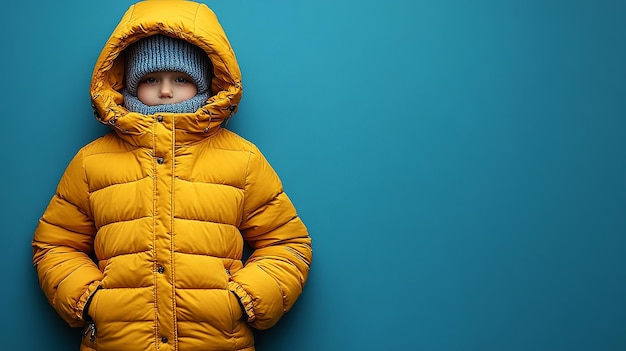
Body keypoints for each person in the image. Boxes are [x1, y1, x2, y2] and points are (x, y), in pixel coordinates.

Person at [31, 1, 312, 350]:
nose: (166, 91)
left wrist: (243, 300)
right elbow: (56, 244)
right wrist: (89, 300)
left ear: (205, 83)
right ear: (130, 84)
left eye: (181, 79)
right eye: (151, 79)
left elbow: (286, 243)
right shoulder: (92, 162)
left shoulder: (243, 159)